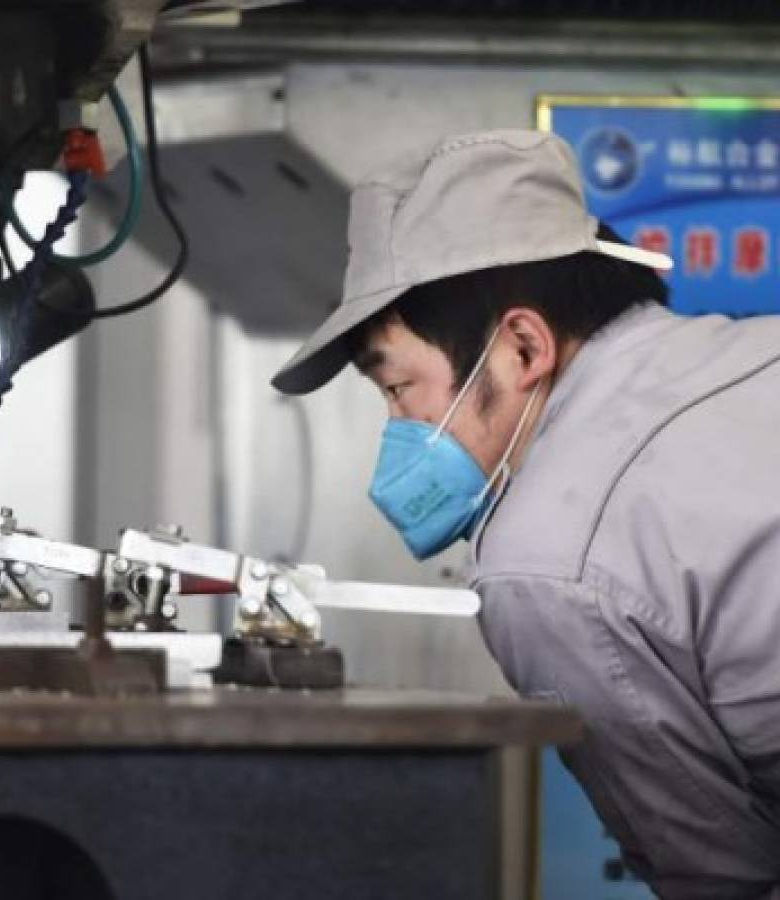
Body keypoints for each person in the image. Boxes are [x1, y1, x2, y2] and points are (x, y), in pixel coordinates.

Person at [271, 129, 780, 899]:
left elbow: (720, 881)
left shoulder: (549, 563)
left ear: (521, 348)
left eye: (399, 388)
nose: (397, 429)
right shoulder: (756, 357)